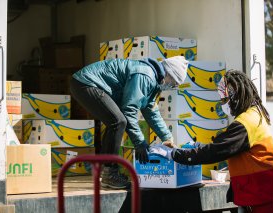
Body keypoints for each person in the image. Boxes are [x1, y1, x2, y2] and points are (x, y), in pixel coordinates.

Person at [151, 70, 273, 212]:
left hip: (266, 194)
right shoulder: (254, 114)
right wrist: (192, 147)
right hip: (263, 193)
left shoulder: (245, 123)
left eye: (224, 100)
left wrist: (173, 154)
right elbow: (224, 146)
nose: (222, 104)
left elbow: (216, 151)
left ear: (235, 96)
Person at [70, 56, 189, 189]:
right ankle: (110, 173)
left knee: (114, 122)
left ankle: (108, 172)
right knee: (118, 121)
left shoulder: (154, 81)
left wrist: (166, 137)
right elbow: (129, 110)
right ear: (168, 73)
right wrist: (140, 143)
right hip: (86, 83)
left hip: (87, 83)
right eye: (173, 83)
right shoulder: (145, 75)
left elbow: (151, 110)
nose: (171, 87)